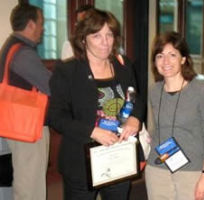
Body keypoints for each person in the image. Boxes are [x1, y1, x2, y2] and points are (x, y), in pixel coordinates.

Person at [48, 9, 144, 200]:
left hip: (119, 154)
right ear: (83, 39)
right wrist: (92, 131)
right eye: (97, 36)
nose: (105, 42)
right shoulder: (67, 71)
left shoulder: (123, 65)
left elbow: (135, 97)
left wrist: (135, 118)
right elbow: (56, 117)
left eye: (109, 35)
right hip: (81, 161)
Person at [145, 31, 204, 200]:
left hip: (191, 170)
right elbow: (157, 127)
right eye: (160, 56)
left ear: (183, 59)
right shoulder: (154, 91)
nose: (166, 61)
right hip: (157, 169)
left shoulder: (201, 89)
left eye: (172, 55)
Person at [0, 4, 52, 200]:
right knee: (31, 186)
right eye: (41, 23)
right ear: (30, 25)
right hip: (29, 129)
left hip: (18, 126)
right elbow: (50, 85)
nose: (43, 28)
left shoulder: (11, 46)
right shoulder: (23, 54)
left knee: (26, 182)